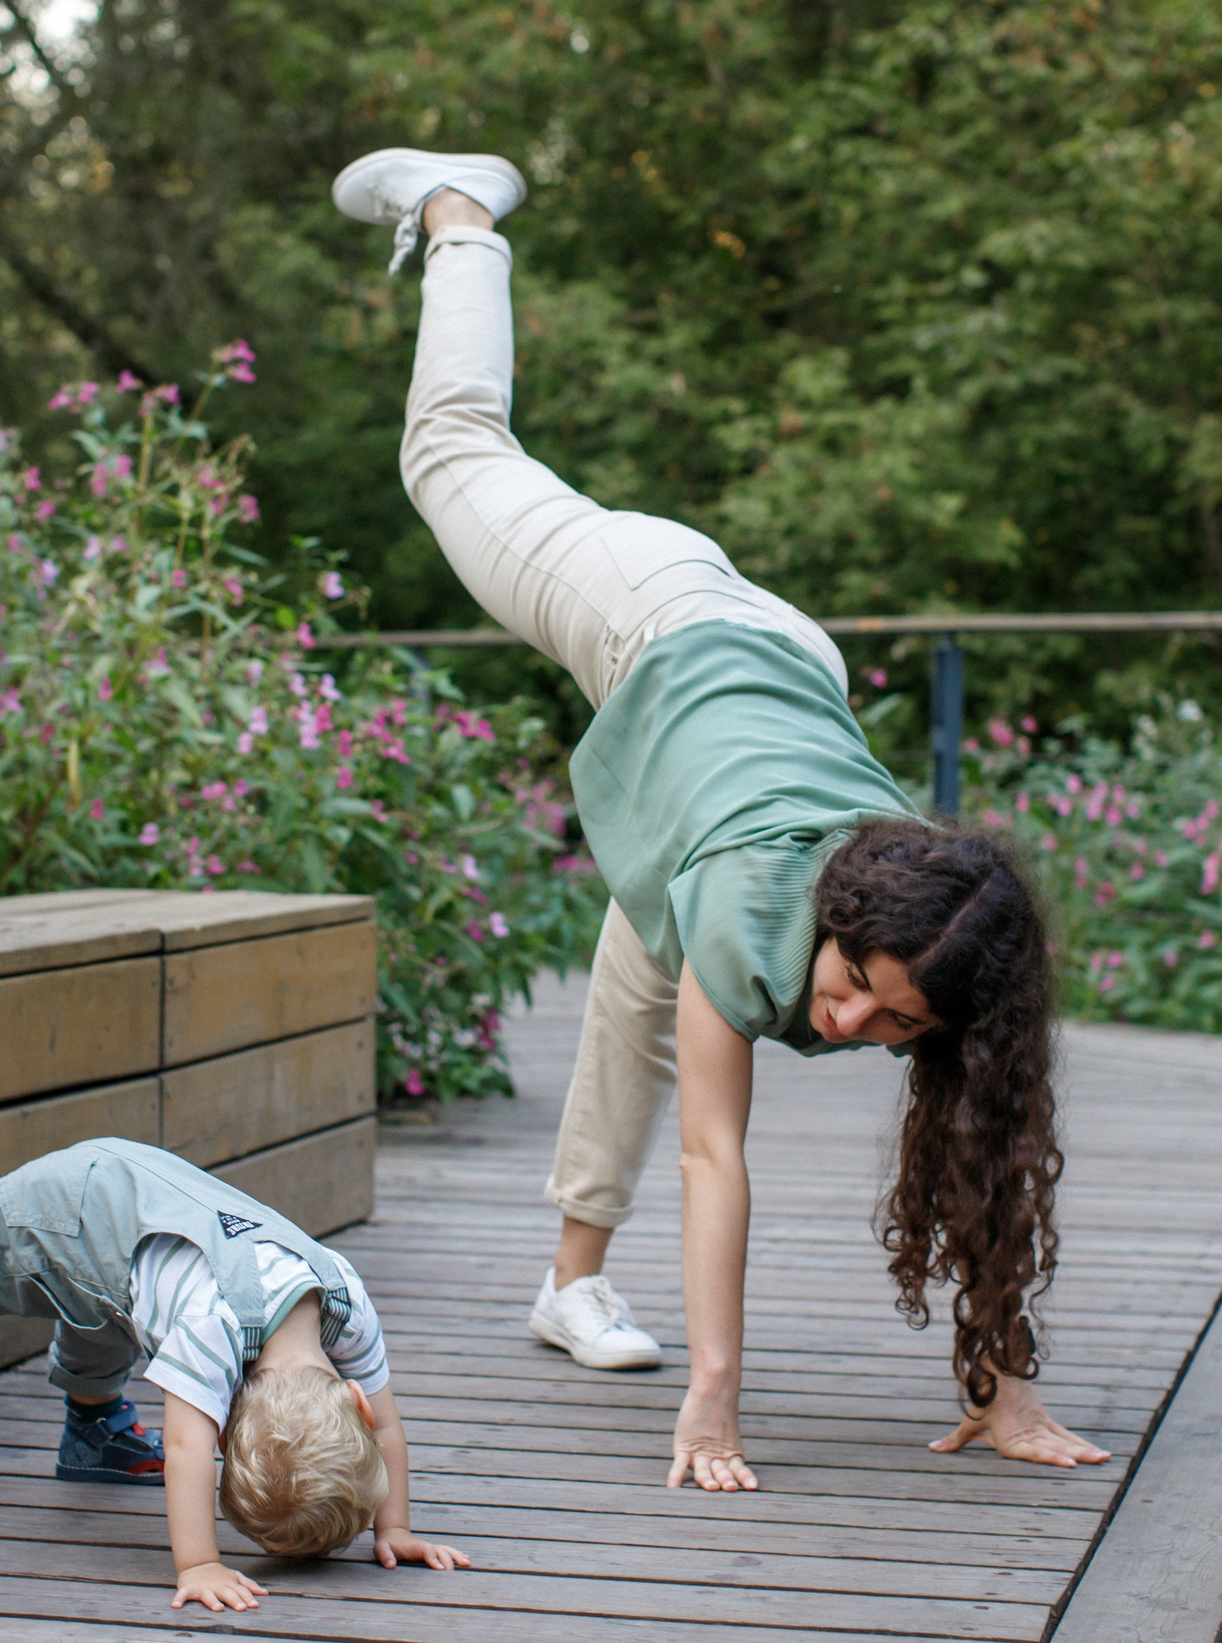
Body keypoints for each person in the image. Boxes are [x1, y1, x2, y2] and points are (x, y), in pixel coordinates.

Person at [330, 148, 1109, 1490]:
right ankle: (461, 216)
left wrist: (1009, 1382)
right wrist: (713, 1398)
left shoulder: (938, 933)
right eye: (856, 989)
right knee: (453, 450)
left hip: (779, 679)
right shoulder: (756, 923)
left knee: (639, 979)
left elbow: (993, 1148)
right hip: (656, 611)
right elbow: (716, 1153)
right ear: (844, 920)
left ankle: (569, 1284)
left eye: (897, 1024)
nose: (852, 1027)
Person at [0, 1128, 470, 1611]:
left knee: (109, 1312)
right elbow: (184, 1448)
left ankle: (93, 1432)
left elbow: (388, 1422)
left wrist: (394, 1523)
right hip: (67, 1211)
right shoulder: (211, 1335)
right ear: (223, 1412)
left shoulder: (342, 1290)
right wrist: (199, 1563)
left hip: (132, 1209)